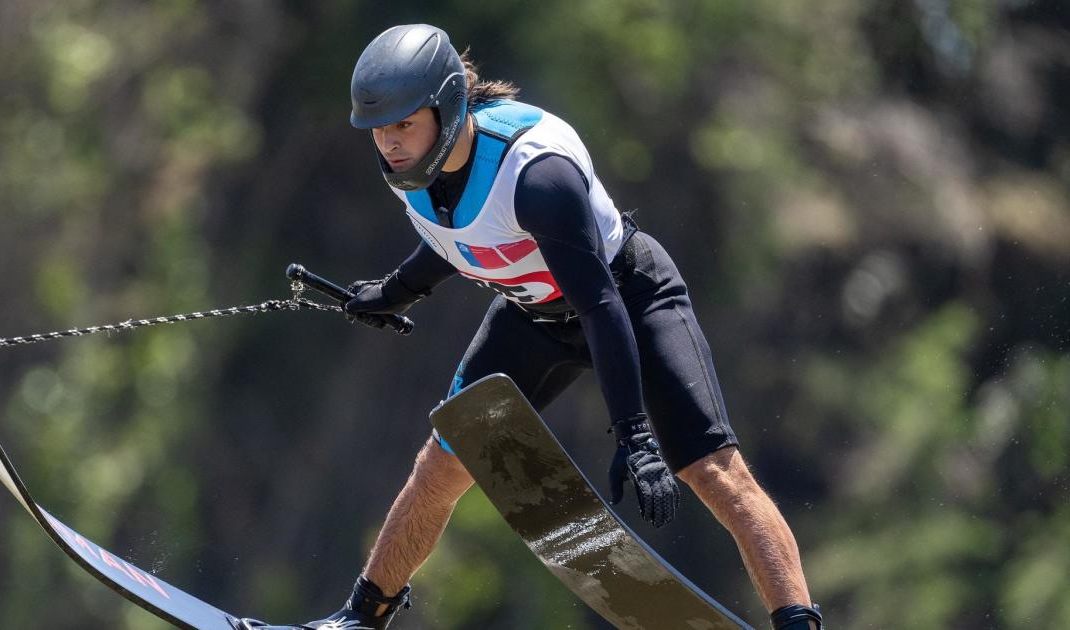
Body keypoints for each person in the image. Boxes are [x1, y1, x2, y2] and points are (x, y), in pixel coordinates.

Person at [300, 24, 823, 630]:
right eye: (379, 131)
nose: (389, 144)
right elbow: (455, 238)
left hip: (629, 296)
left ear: (447, 109)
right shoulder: (416, 167)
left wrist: (638, 437)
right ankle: (364, 616)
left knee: (712, 470)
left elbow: (602, 306)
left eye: (403, 126)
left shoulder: (536, 175)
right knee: (443, 460)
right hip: (535, 315)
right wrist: (392, 294)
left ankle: (797, 621)